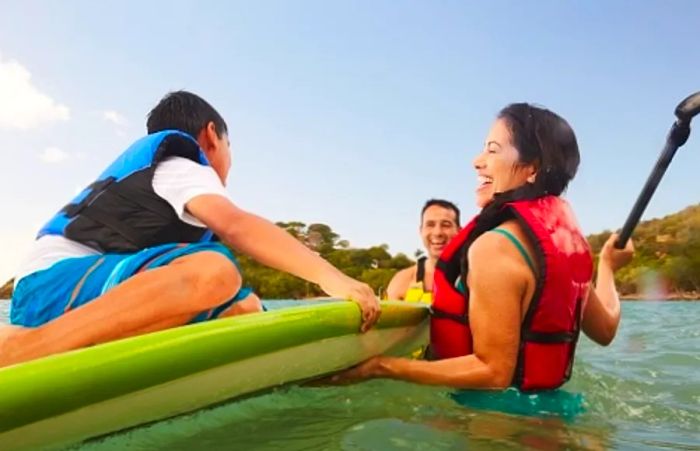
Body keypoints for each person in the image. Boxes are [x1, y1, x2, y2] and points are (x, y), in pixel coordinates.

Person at [0, 91, 380, 368]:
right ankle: (21, 351)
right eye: (231, 148)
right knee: (213, 271)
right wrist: (335, 279)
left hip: (74, 300)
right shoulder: (182, 166)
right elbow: (236, 225)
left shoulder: (164, 185)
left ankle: (61, 353)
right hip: (48, 288)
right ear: (211, 137)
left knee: (244, 307)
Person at [332, 103, 634, 391]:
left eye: (493, 150)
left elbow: (493, 372)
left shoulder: (495, 247)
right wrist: (607, 266)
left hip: (498, 428)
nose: (477, 161)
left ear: (531, 168)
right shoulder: (566, 249)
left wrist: (382, 368)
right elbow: (605, 330)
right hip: (553, 422)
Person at [386, 199, 460, 303]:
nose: (437, 232)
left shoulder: (473, 277)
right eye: (430, 225)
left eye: (446, 225)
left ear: (459, 231)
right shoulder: (403, 281)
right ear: (421, 231)